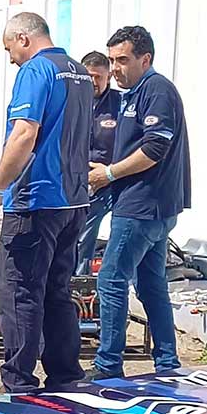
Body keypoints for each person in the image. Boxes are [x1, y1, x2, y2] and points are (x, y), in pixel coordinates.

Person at [0, 12, 93, 392]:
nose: (11, 59)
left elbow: (24, 134)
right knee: (57, 291)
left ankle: (19, 382)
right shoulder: (80, 73)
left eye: (10, 48)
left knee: (19, 291)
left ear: (24, 38)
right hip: (73, 201)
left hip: (35, 198)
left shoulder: (36, 72)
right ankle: (65, 378)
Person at [86, 26, 190, 379]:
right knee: (150, 285)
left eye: (123, 60)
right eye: (112, 60)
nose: (115, 68)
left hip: (142, 206)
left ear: (145, 59)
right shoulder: (132, 92)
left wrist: (110, 174)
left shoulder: (157, 90)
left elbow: (155, 148)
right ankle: (167, 366)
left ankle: (107, 369)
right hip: (150, 206)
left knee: (111, 280)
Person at [76, 51, 122, 275]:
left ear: (108, 78)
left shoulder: (120, 104)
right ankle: (78, 282)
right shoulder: (71, 102)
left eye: (98, 77)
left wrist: (112, 172)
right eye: (89, 76)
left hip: (114, 181)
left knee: (122, 235)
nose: (93, 82)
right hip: (81, 183)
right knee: (82, 236)